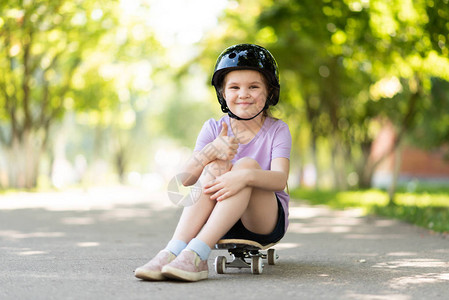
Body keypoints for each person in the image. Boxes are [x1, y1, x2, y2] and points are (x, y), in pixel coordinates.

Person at [135, 44, 292, 282]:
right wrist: (209, 152)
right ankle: (174, 250)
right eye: (234, 87)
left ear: (270, 92)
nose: (243, 94)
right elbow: (180, 185)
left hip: (262, 220)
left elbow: (280, 179)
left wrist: (243, 175)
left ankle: (197, 254)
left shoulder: (277, 130)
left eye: (254, 87)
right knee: (215, 166)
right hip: (217, 220)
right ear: (223, 94)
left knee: (246, 165)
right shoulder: (212, 128)